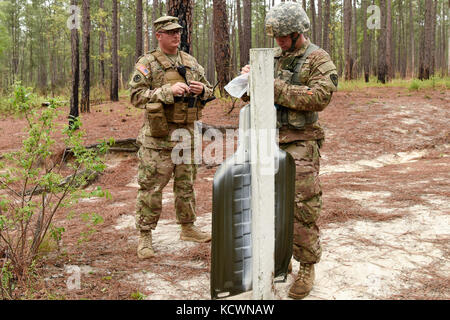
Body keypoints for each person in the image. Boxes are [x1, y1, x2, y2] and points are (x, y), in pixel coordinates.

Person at [241, 2, 338, 299]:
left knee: (302, 207)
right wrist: (249, 80)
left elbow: (320, 97)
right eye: (277, 37)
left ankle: (307, 266)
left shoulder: (318, 59)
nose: (280, 42)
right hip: (267, 139)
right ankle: (273, 262)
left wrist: (274, 87)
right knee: (264, 205)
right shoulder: (272, 57)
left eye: (285, 37)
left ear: (299, 33)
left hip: (300, 142)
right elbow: (253, 96)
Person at [129, 16, 214, 259]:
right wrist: (167, 91)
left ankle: (187, 227)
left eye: (178, 31)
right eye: (170, 32)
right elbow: (135, 96)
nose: (176, 36)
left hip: (186, 135)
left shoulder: (190, 62)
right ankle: (145, 236)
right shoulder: (148, 63)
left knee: (186, 185)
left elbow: (210, 91)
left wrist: (202, 91)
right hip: (159, 138)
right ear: (159, 35)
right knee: (151, 187)